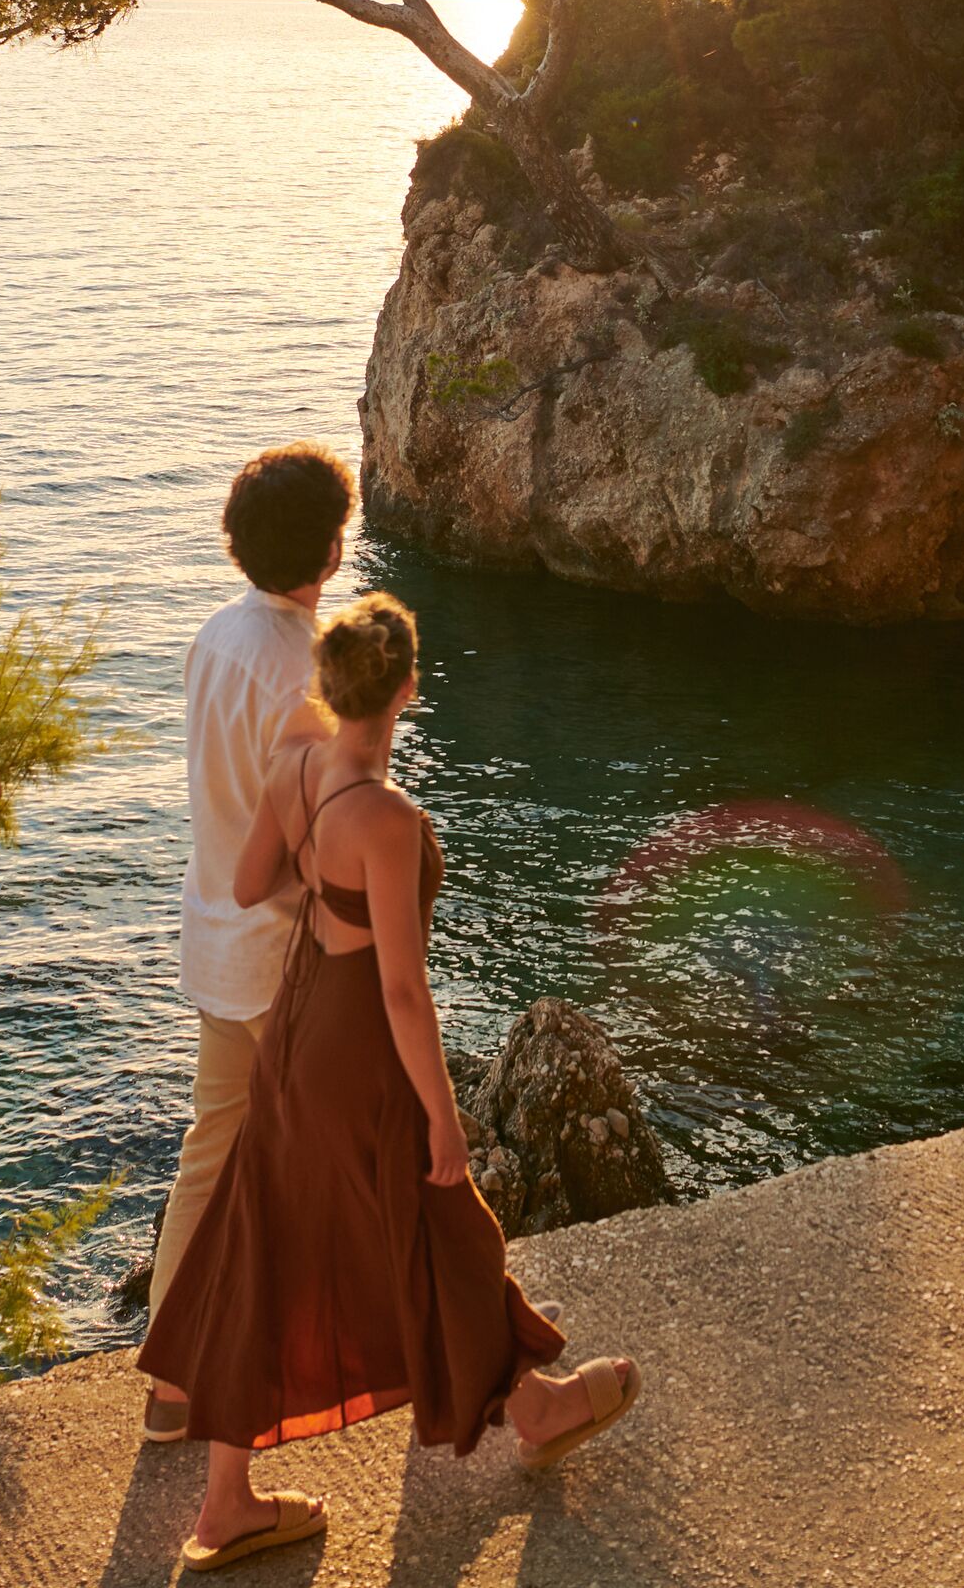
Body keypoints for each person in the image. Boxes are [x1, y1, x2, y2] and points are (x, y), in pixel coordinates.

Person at [140, 592, 642, 1572]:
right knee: (449, 1228)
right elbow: (406, 994)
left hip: (294, 1028)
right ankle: (537, 1409)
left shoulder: (296, 771)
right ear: (408, 689)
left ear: (328, 687)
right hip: (361, 1046)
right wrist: (445, 1121)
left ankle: (228, 1502)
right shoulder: (389, 819)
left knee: (265, 1240)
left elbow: (250, 886)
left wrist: (322, 906)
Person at [139, 444, 356, 1448]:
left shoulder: (216, 637)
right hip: (286, 954)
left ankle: (171, 1383)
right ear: (332, 545)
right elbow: (309, 845)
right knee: (361, 1162)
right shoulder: (305, 673)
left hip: (215, 945)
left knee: (210, 1150)